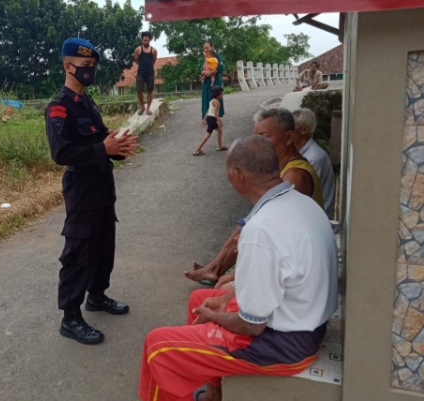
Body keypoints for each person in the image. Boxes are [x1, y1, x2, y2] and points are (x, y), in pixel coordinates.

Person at [138, 135, 338, 401]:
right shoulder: (300, 203)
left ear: (238, 175)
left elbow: (252, 325)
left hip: (284, 344)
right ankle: (214, 393)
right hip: (306, 322)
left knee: (158, 346)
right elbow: (280, 275)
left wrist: (216, 317)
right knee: (200, 299)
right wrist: (228, 297)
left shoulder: (261, 229)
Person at [45, 38, 139, 345]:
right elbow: (62, 153)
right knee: (79, 252)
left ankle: (96, 295)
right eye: (85, 65)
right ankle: (70, 317)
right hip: (82, 189)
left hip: (102, 186)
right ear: (68, 66)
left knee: (103, 247)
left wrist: (117, 146)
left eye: (93, 66)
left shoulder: (87, 103)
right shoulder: (60, 107)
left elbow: (100, 140)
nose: (90, 71)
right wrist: (103, 149)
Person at [185, 108, 324, 285]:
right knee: (243, 224)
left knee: (246, 228)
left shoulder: (295, 175)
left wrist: (235, 278)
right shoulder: (283, 165)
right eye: (255, 137)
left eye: (264, 137)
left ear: (288, 138)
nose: (257, 144)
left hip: (297, 266)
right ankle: (215, 268)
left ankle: (217, 269)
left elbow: (274, 235)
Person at [292, 108, 336, 218]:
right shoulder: (306, 154)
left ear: (303, 130)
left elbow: (302, 197)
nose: (286, 132)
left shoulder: (314, 158)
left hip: (314, 217)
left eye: (291, 128)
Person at [194, 86, 227, 156]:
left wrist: (205, 118)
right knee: (208, 134)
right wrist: (219, 122)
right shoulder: (217, 102)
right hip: (212, 119)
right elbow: (216, 113)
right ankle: (198, 149)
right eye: (221, 93)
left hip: (210, 117)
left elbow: (208, 111)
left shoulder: (212, 101)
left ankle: (220, 146)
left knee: (220, 131)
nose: (222, 95)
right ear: (217, 94)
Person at [200, 41, 224, 124]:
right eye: (204, 48)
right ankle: (206, 118)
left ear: (212, 47)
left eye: (207, 47)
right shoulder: (205, 58)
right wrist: (204, 72)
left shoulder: (216, 56)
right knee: (206, 99)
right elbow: (201, 69)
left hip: (215, 80)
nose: (206, 49)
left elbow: (221, 66)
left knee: (214, 98)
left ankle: (215, 117)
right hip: (206, 81)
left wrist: (212, 72)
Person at [135, 32, 157, 116]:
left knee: (150, 90)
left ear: (150, 40)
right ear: (142, 40)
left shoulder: (154, 50)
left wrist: (149, 67)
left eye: (147, 40)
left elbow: (153, 61)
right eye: (144, 40)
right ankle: (143, 107)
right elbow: (137, 60)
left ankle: (148, 108)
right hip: (140, 73)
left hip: (150, 73)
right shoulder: (138, 50)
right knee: (139, 90)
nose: (146, 42)